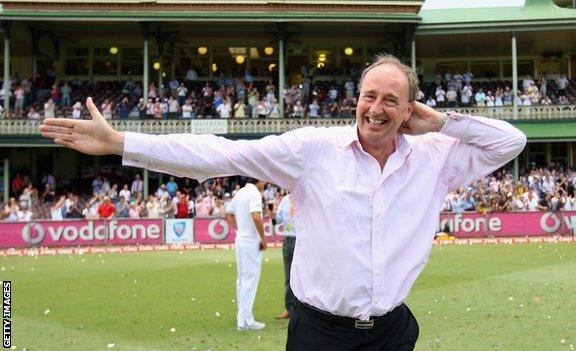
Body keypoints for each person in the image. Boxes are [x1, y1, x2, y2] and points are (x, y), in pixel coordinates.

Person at [39, 54, 526, 350]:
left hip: (392, 333)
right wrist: (124, 143)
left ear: (409, 111)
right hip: (320, 335)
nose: (375, 109)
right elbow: (222, 154)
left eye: (391, 101)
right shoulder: (314, 150)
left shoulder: (435, 158)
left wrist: (443, 123)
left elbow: (511, 142)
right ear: (355, 98)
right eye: (368, 95)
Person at [225, 178, 267, 331]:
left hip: (241, 240)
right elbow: (256, 216)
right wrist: (263, 238)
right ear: (259, 180)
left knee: (242, 279)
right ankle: (246, 320)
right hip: (250, 241)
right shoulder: (254, 193)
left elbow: (228, 214)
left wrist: (239, 230)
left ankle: (242, 318)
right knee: (249, 279)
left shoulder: (240, 192)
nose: (265, 184)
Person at [274, 192, 296, 320]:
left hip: (303, 241)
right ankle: (289, 309)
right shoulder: (284, 200)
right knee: (289, 277)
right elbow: (278, 219)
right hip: (288, 239)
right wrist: (272, 215)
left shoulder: (305, 196)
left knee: (304, 277)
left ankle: (303, 310)